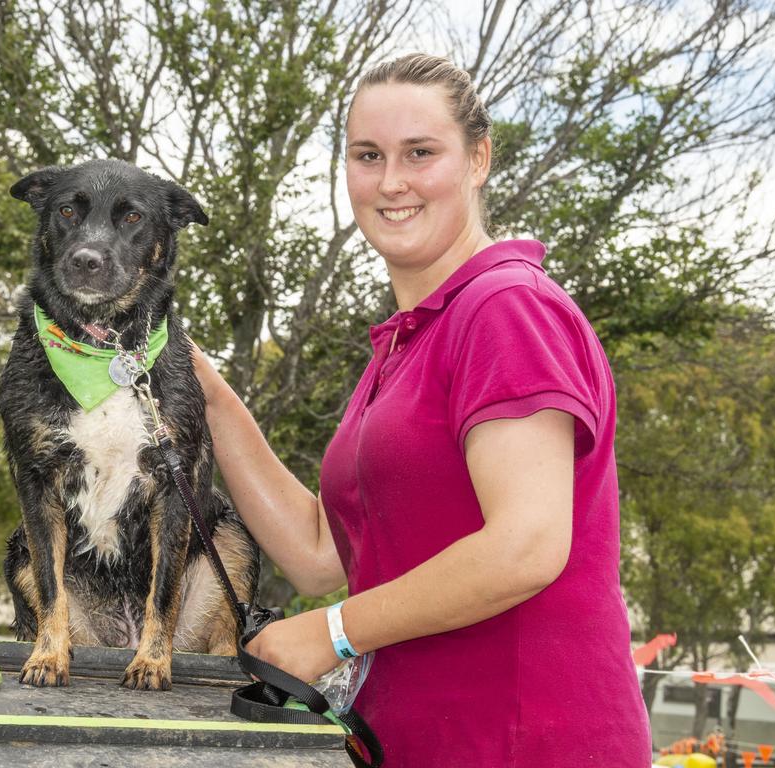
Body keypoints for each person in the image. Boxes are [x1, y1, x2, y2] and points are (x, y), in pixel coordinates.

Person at [190, 53, 651, 766]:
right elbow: (319, 554)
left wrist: (331, 633)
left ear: (478, 159)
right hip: (415, 745)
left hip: (525, 745)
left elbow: (526, 544)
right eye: (368, 156)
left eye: (420, 153)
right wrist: (203, 390)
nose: (392, 182)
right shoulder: (408, 343)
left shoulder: (505, 308)